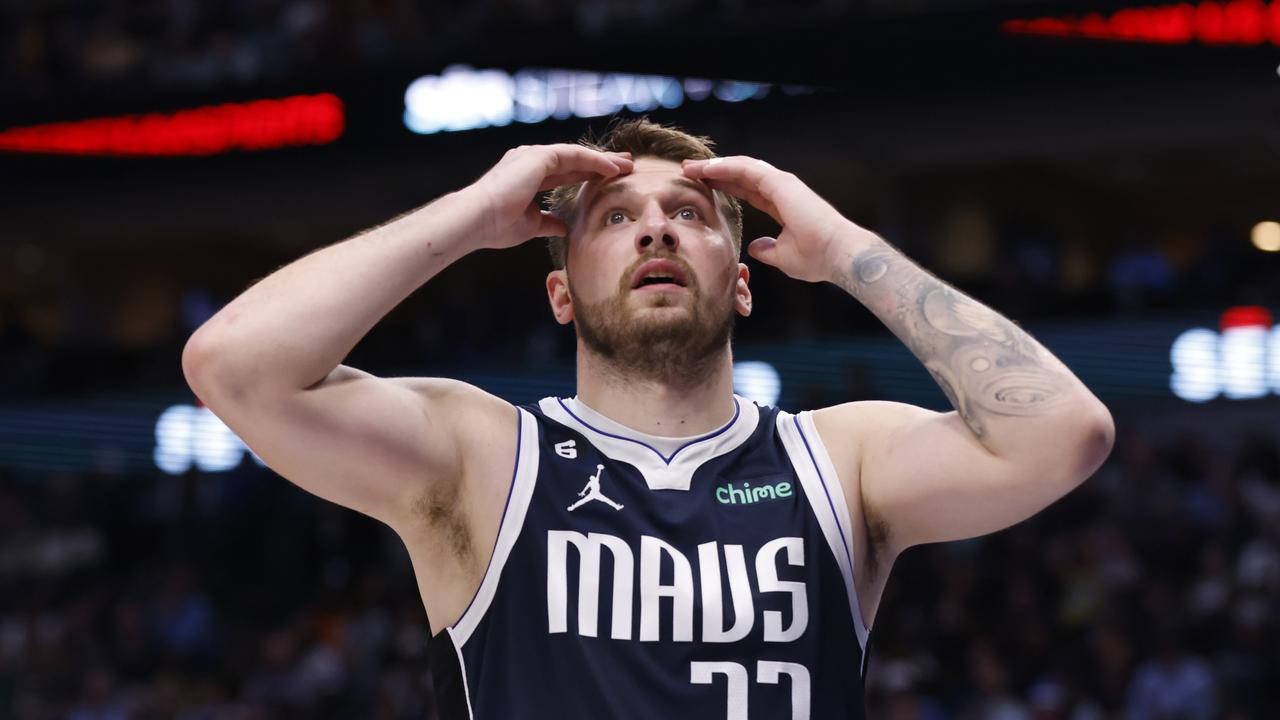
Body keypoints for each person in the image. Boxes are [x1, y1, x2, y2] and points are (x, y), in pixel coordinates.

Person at [181, 117, 1115, 719]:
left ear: (742, 284)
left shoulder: (840, 457)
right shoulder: (482, 457)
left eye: (692, 215)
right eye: (617, 216)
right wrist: (470, 213)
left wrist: (846, 250)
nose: (658, 228)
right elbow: (234, 367)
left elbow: (1062, 434)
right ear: (560, 291)